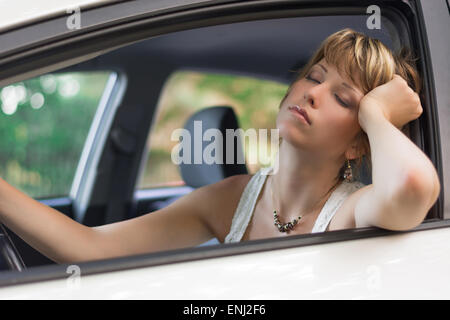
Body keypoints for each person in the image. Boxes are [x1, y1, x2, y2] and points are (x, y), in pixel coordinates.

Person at [0, 28, 440, 264]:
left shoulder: (353, 210)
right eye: (314, 76)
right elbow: (88, 248)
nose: (313, 94)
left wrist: (377, 116)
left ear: (356, 146)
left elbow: (416, 187)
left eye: (343, 99)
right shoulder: (231, 198)